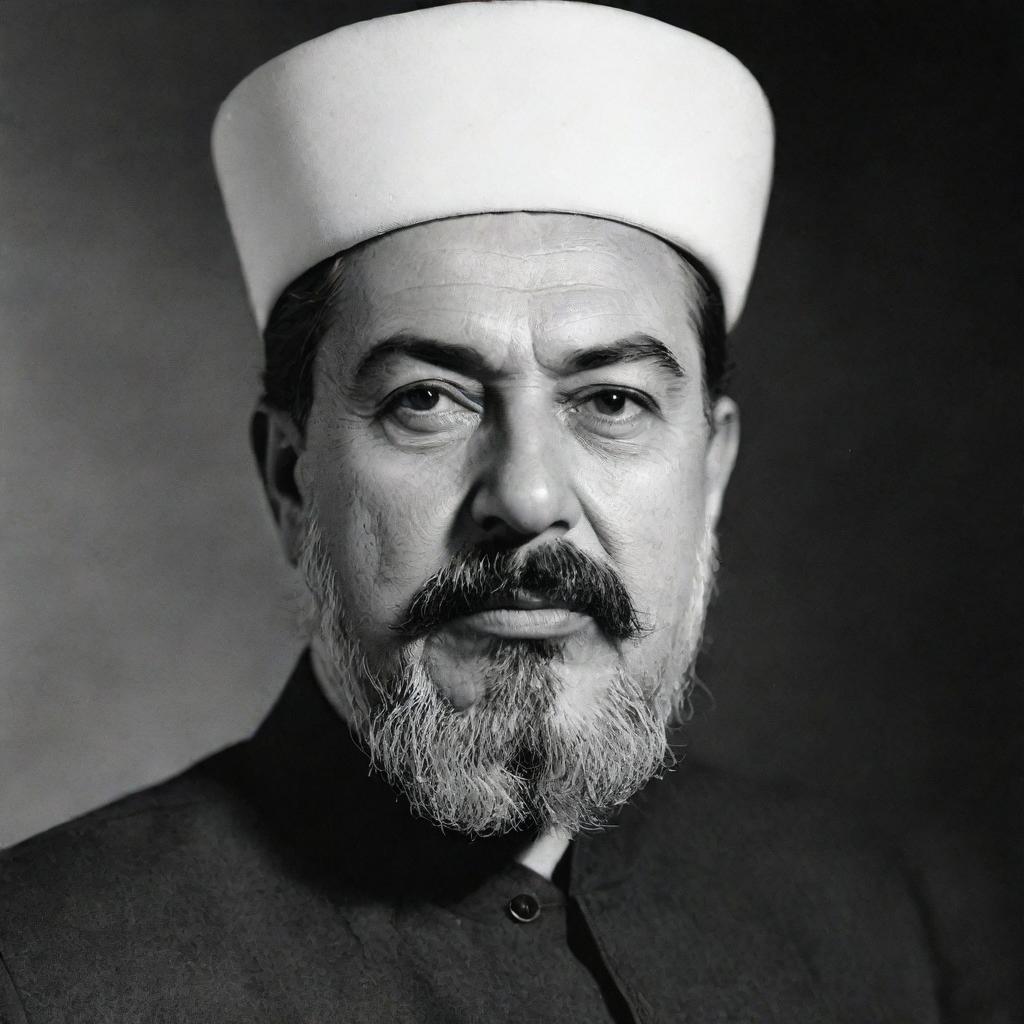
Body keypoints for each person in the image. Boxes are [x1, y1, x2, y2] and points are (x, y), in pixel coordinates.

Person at [0, 4, 943, 1020]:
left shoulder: (861, 914)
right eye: (426, 401)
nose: (528, 497)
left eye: (610, 402)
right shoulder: (45, 969)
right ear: (288, 477)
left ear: (709, 473)